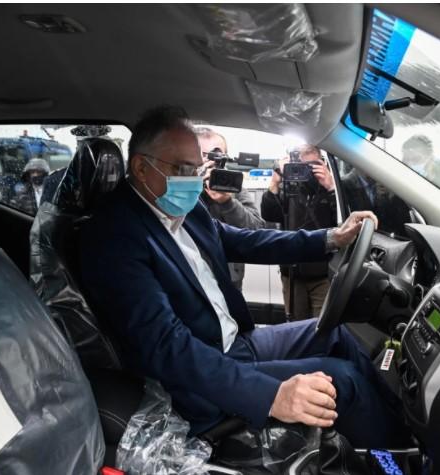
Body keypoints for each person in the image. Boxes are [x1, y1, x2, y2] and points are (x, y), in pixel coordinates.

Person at [79, 106, 410, 448]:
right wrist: (272, 395)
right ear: (140, 167)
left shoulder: (180, 207)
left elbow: (247, 241)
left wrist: (330, 238)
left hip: (236, 343)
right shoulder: (113, 236)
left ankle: (402, 426)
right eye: (182, 169)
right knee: (341, 381)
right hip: (199, 378)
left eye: (197, 169)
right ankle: (399, 457)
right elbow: (165, 344)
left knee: (337, 334)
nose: (193, 180)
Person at [260, 144, 338, 320]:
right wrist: (275, 181)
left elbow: (341, 221)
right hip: (293, 273)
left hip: (323, 272)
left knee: (322, 324)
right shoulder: (289, 190)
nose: (307, 172)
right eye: (302, 167)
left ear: (323, 163)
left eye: (312, 166)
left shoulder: (329, 190)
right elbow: (269, 214)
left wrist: (331, 187)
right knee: (297, 325)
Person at [194, 126, 265, 291]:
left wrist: (227, 202)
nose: (212, 162)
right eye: (205, 155)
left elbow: (256, 229)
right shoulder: (181, 184)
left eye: (219, 156)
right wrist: (193, 184)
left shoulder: (232, 184)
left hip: (229, 277)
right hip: (191, 275)